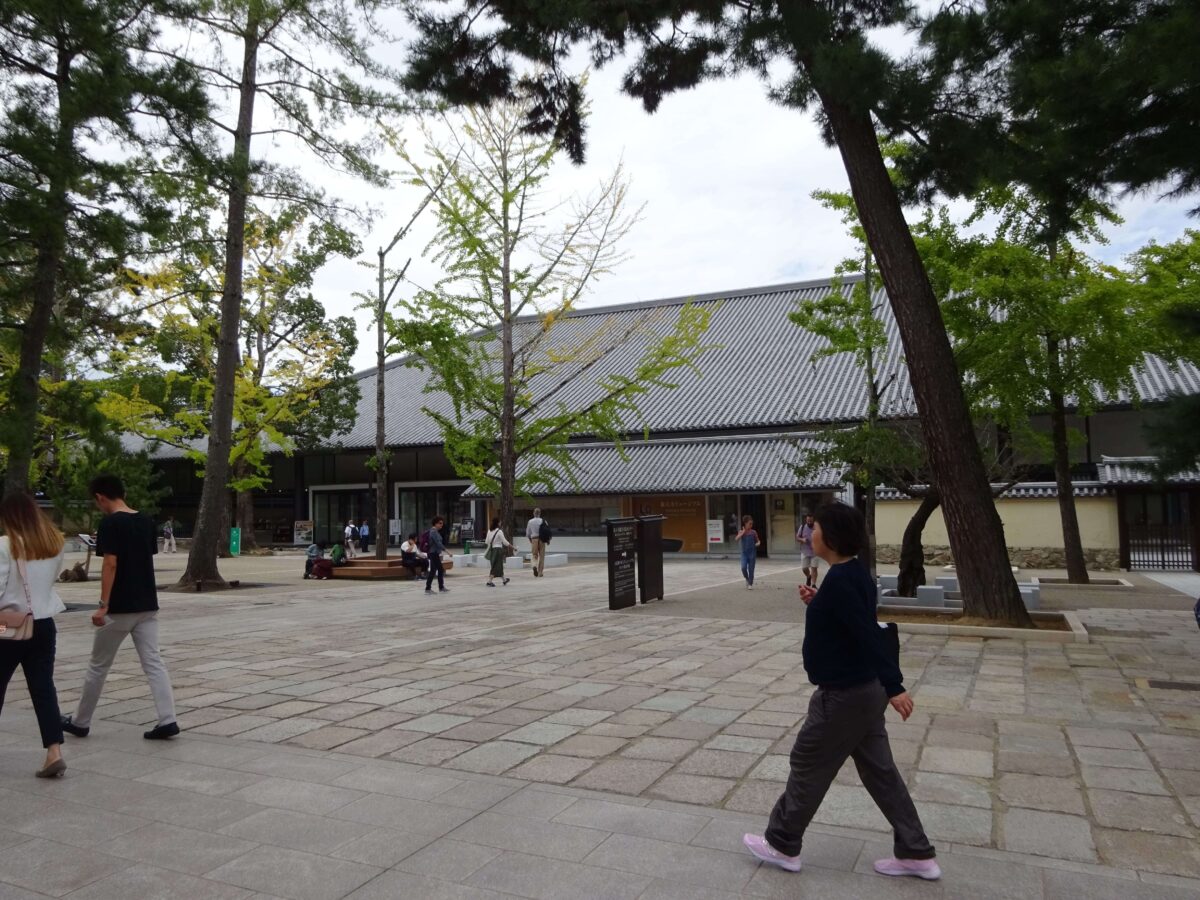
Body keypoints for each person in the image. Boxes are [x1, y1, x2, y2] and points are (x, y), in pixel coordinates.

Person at [742, 502, 939, 881]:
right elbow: (854, 622)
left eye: (814, 529)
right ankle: (916, 852)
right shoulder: (851, 575)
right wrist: (820, 604)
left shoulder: (843, 580)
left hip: (844, 695)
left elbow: (867, 634)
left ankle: (782, 843)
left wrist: (896, 685)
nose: (809, 534)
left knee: (808, 762)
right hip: (864, 692)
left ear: (829, 538)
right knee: (881, 773)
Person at [62, 474, 179, 742]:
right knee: (154, 663)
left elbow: (110, 564)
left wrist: (103, 604)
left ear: (101, 497)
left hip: (120, 607)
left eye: (97, 502)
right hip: (147, 604)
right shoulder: (146, 520)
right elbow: (144, 558)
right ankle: (168, 718)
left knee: (98, 665)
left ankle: (80, 721)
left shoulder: (111, 523)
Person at [0, 492, 69, 778]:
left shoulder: (5, 545)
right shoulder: (55, 544)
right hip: (44, 623)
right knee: (43, 689)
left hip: (6, 627)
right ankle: (54, 751)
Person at [484, 517, 512, 587]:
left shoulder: (489, 531)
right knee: (496, 566)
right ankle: (489, 582)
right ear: (497, 523)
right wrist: (512, 547)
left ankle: (504, 580)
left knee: (498, 565)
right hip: (498, 550)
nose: (500, 523)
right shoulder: (499, 531)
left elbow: (487, 541)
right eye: (499, 522)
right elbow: (505, 542)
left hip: (492, 550)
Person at [735, 515, 761, 589]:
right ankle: (747, 578)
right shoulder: (741, 531)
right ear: (745, 524)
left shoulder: (753, 532)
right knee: (743, 567)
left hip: (752, 553)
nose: (751, 525)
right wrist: (741, 534)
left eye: (752, 524)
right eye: (750, 524)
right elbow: (736, 539)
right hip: (744, 553)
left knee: (751, 569)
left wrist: (758, 543)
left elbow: (758, 541)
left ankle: (750, 584)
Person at [424, 516, 449, 594]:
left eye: (442, 523)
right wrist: (446, 551)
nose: (441, 525)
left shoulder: (435, 531)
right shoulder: (433, 532)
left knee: (434, 570)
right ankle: (431, 588)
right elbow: (438, 543)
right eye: (440, 523)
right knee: (438, 570)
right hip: (433, 553)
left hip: (434, 553)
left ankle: (436, 587)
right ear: (435, 523)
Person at [796, 513, 818, 587]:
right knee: (804, 568)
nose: (809, 522)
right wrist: (802, 539)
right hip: (805, 551)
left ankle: (814, 584)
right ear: (806, 520)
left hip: (815, 552)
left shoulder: (817, 527)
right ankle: (808, 576)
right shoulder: (802, 527)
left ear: (813, 520)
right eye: (808, 521)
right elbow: (797, 537)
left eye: (811, 521)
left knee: (814, 568)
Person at [526, 508, 546, 577]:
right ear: (540, 513)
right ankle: (540, 572)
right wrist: (548, 540)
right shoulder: (543, 521)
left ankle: (534, 565)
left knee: (534, 555)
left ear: (533, 513)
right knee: (542, 556)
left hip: (534, 539)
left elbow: (528, 533)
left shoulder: (530, 521)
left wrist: (530, 540)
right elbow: (547, 531)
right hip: (542, 540)